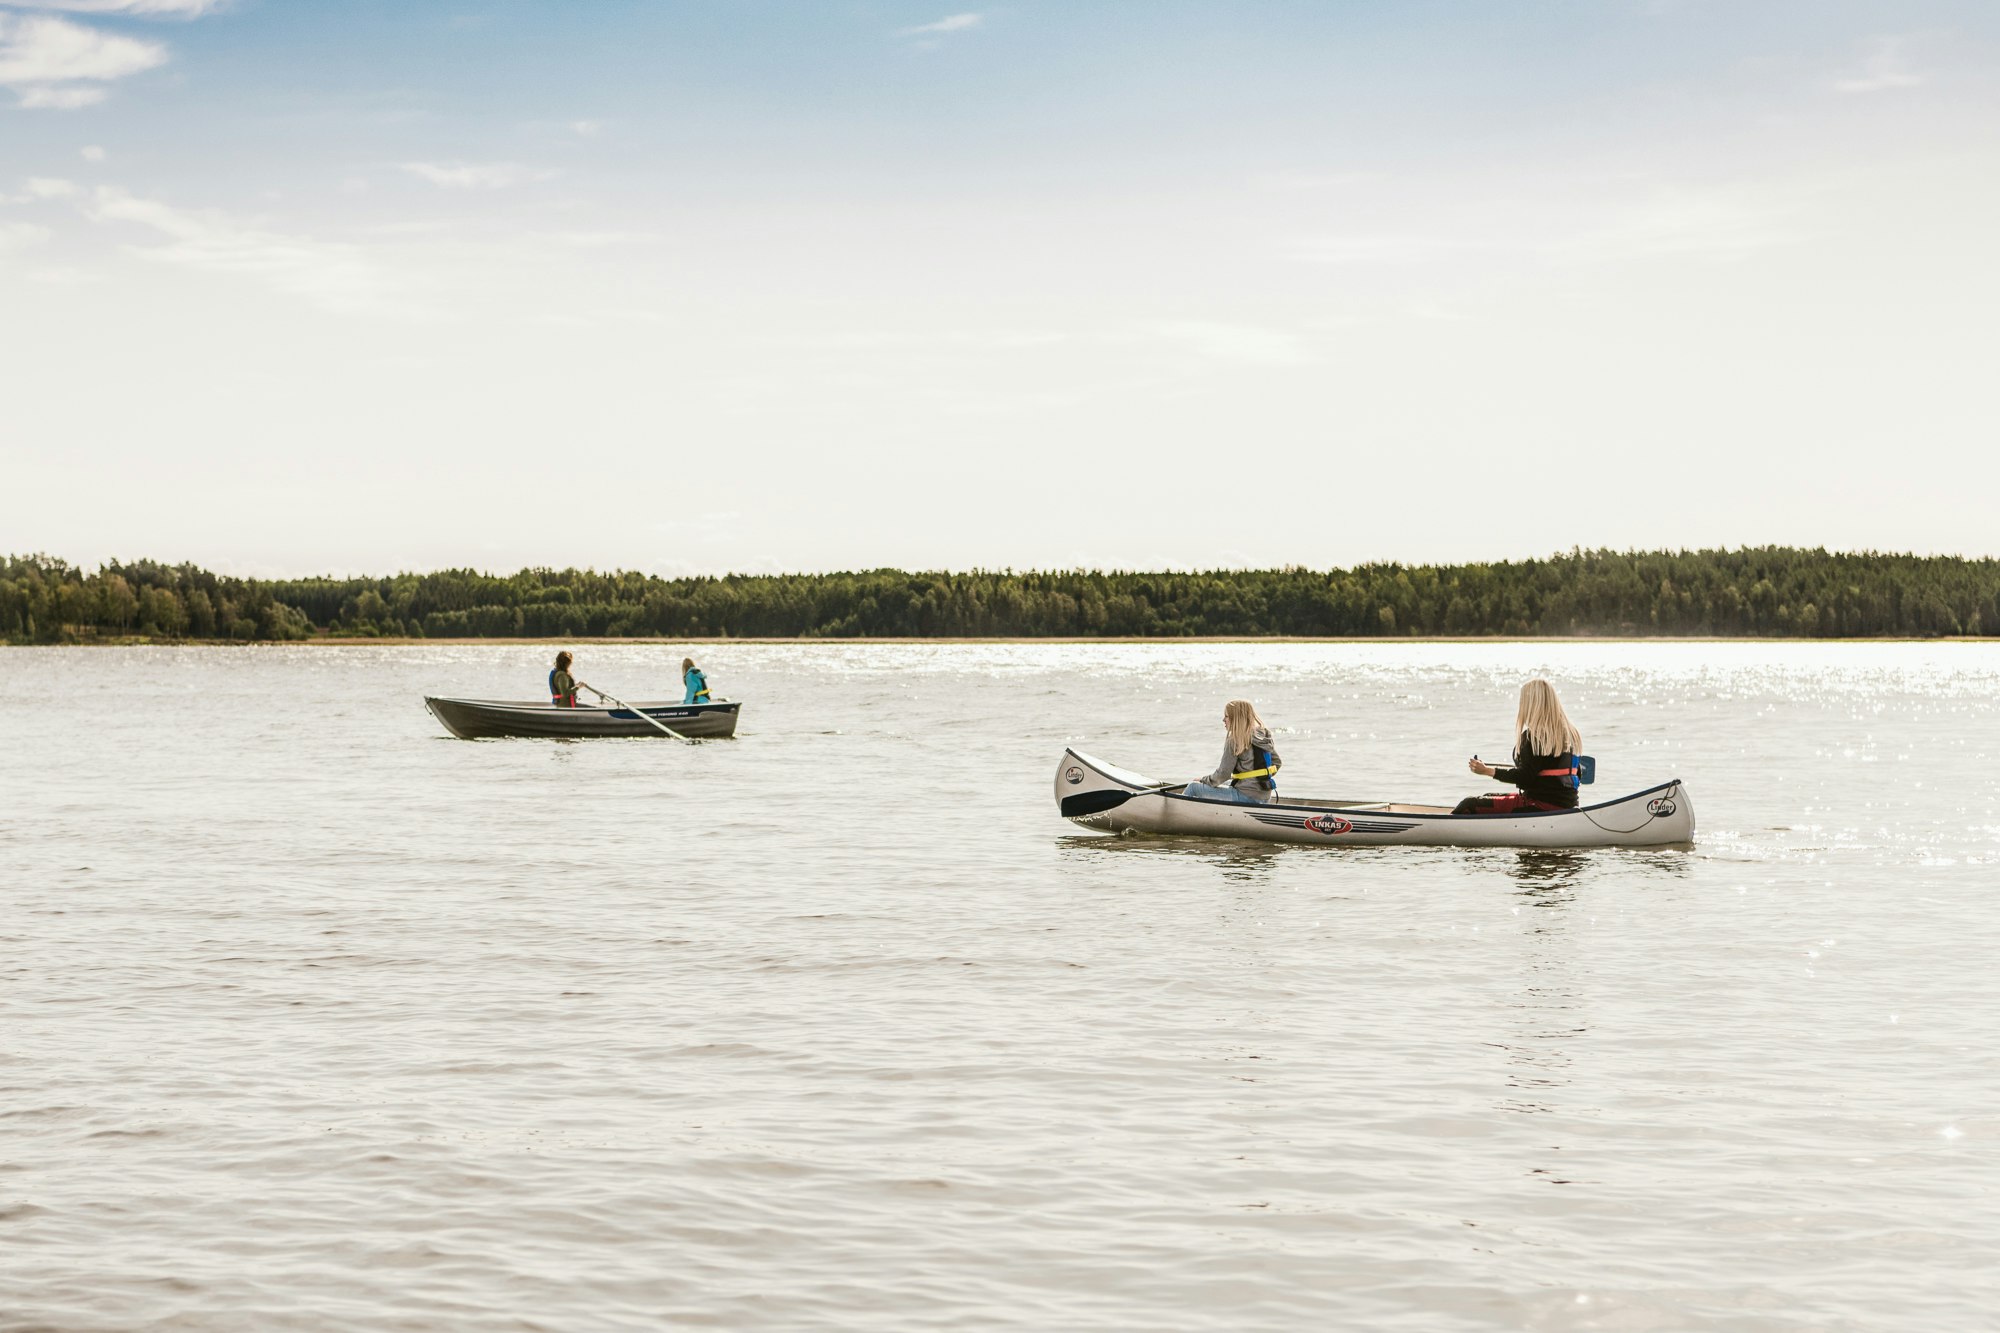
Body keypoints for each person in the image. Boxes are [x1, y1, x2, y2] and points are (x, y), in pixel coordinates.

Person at [1455, 678, 1583, 814]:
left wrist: (1487, 771)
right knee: (1487, 796)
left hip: (1539, 806)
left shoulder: (1533, 737)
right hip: (1567, 806)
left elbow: (1525, 777)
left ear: (1530, 705)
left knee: (1468, 804)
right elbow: (1578, 774)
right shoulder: (1571, 735)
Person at [1183, 699, 1282, 804]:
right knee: (1227, 782)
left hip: (1246, 797)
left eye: (1226, 716)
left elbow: (1223, 773)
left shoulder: (1235, 739)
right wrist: (1257, 781)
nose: (1223, 720)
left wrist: (1204, 780)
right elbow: (1277, 763)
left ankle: (1180, 815)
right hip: (1265, 797)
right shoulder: (1262, 735)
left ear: (1235, 718)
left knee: (1193, 787)